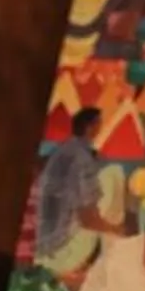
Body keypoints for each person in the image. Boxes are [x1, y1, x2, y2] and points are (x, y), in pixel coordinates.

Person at [31, 107, 106, 273]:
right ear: (90, 128)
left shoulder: (63, 149)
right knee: (113, 176)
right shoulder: (83, 158)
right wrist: (119, 230)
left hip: (43, 244)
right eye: (100, 124)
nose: (102, 127)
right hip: (58, 251)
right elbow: (89, 219)